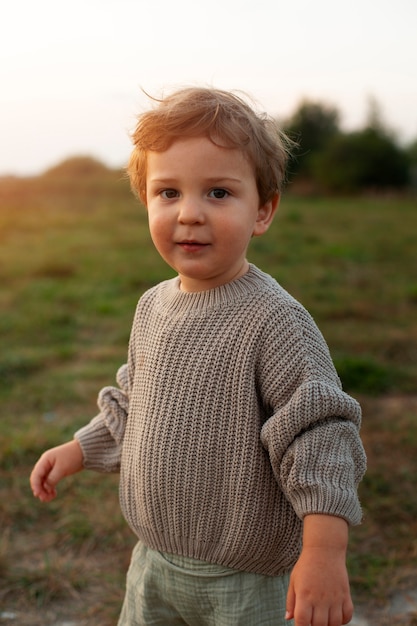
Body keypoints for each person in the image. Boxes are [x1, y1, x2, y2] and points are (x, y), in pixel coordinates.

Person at [30, 87, 366, 626]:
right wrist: (79, 448)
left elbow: (320, 438)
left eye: (217, 193)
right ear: (145, 201)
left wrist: (324, 553)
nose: (188, 214)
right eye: (168, 193)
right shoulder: (153, 307)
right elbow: (138, 405)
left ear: (263, 210)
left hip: (246, 581)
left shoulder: (274, 321)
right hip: (154, 564)